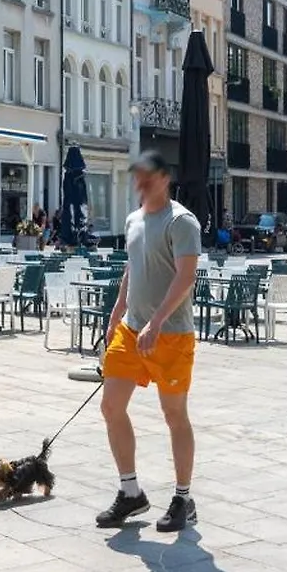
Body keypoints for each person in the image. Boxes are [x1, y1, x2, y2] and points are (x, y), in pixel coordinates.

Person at [97, 149, 201, 533]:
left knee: (174, 415)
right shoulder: (133, 220)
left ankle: (183, 498)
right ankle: (130, 493)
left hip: (171, 334)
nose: (138, 183)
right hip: (130, 328)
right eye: (136, 177)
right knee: (111, 407)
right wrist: (116, 315)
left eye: (145, 177)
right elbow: (132, 268)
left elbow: (185, 277)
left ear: (163, 178)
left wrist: (156, 322)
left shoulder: (181, 221)